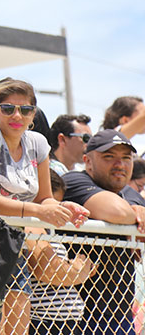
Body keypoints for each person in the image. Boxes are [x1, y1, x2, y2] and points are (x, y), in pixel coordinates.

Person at [0, 78, 88, 335]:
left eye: (26, 109)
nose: (17, 115)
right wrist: (37, 211)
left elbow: (44, 198)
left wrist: (64, 206)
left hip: (13, 244)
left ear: (34, 113)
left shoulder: (38, 143)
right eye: (8, 108)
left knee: (17, 330)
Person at [62, 129, 145, 334]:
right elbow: (115, 211)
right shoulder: (74, 181)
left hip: (120, 317)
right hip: (75, 317)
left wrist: (134, 211)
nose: (120, 164)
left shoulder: (127, 192)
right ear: (87, 161)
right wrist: (132, 213)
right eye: (109, 157)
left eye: (126, 158)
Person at [27, 170, 95, 335]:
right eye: (51, 202)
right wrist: (80, 268)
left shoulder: (48, 229)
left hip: (63, 322)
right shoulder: (30, 224)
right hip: (45, 321)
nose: (58, 210)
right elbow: (52, 271)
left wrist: (76, 270)